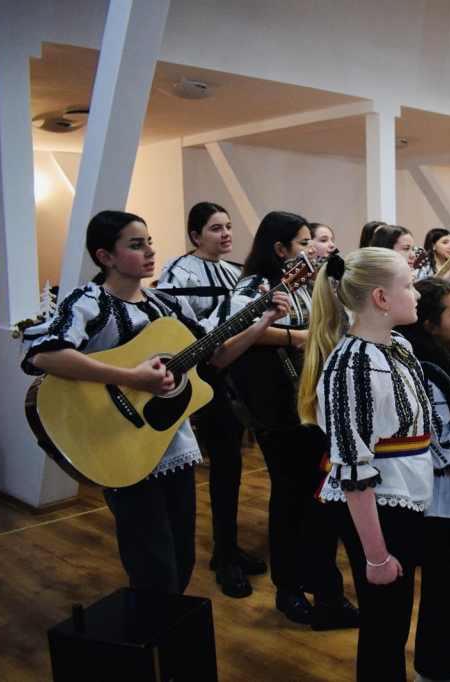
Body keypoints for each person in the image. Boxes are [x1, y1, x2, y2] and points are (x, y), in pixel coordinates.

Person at [21, 210, 290, 594]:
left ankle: (166, 625)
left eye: (148, 241)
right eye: (136, 245)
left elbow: (215, 357)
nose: (150, 251)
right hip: (116, 442)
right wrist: (133, 377)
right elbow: (43, 355)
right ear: (105, 257)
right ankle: (150, 624)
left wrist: (262, 321)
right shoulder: (89, 302)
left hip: (168, 442)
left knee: (182, 556)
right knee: (153, 563)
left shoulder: (165, 305)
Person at [299, 247, 434, 682]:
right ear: (380, 297)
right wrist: (375, 557)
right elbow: (353, 469)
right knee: (383, 623)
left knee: (395, 619)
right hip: (379, 503)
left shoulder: (398, 346)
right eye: (408, 286)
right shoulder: (351, 366)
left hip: (403, 496)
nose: (417, 294)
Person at [224, 211, 359, 629]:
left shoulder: (314, 283)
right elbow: (230, 336)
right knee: (289, 499)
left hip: (316, 403)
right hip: (278, 407)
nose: (312, 249)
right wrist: (296, 336)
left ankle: (327, 591)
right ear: (279, 249)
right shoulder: (254, 286)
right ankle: (289, 590)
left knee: (320, 501)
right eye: (303, 243)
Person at [157, 202, 265, 598]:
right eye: (216, 228)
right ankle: (225, 554)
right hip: (205, 380)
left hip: (237, 378)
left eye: (228, 226)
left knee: (232, 466)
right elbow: (175, 328)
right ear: (195, 235)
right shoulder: (178, 271)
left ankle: (228, 548)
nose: (226, 234)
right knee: (224, 466)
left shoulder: (238, 272)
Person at [397, 278, 450, 682]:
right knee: (444, 588)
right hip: (442, 498)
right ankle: (433, 670)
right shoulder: (426, 370)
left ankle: (443, 658)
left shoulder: (448, 359)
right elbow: (443, 448)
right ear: (431, 325)